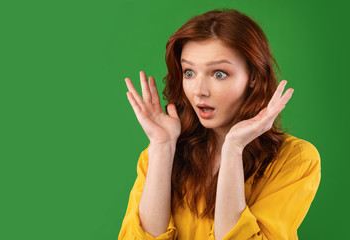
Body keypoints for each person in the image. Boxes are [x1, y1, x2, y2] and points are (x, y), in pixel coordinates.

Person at [118, 8, 321, 240]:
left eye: (219, 74)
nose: (199, 91)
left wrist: (233, 148)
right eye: (189, 72)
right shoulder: (156, 156)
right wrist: (163, 146)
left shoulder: (296, 160)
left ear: (253, 77)